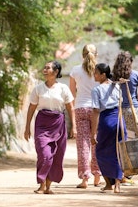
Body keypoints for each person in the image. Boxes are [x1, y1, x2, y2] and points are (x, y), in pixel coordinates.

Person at [24, 60, 76, 194]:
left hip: (58, 123)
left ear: (56, 72)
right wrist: (27, 127)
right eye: (44, 67)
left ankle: (48, 186)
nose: (45, 70)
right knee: (44, 154)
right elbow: (31, 107)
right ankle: (41, 184)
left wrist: (73, 127)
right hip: (42, 123)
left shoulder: (63, 88)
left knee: (57, 155)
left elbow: (70, 107)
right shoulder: (38, 88)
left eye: (48, 68)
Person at [112, 51, 138, 185]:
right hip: (133, 110)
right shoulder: (137, 75)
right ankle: (132, 168)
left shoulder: (113, 77)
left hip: (117, 110)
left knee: (120, 139)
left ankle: (120, 169)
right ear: (130, 62)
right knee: (134, 138)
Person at [69, 44, 101, 189]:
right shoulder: (100, 70)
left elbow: (71, 94)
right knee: (96, 141)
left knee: (83, 145)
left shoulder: (75, 70)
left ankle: (84, 179)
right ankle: (97, 175)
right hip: (97, 110)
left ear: (82, 55)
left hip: (80, 108)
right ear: (96, 54)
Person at [90, 63, 123, 193]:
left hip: (106, 121)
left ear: (103, 75)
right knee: (118, 152)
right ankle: (118, 184)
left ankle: (109, 184)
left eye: (96, 73)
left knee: (101, 152)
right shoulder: (117, 86)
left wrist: (93, 133)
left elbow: (96, 111)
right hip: (119, 121)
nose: (94, 75)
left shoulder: (96, 90)